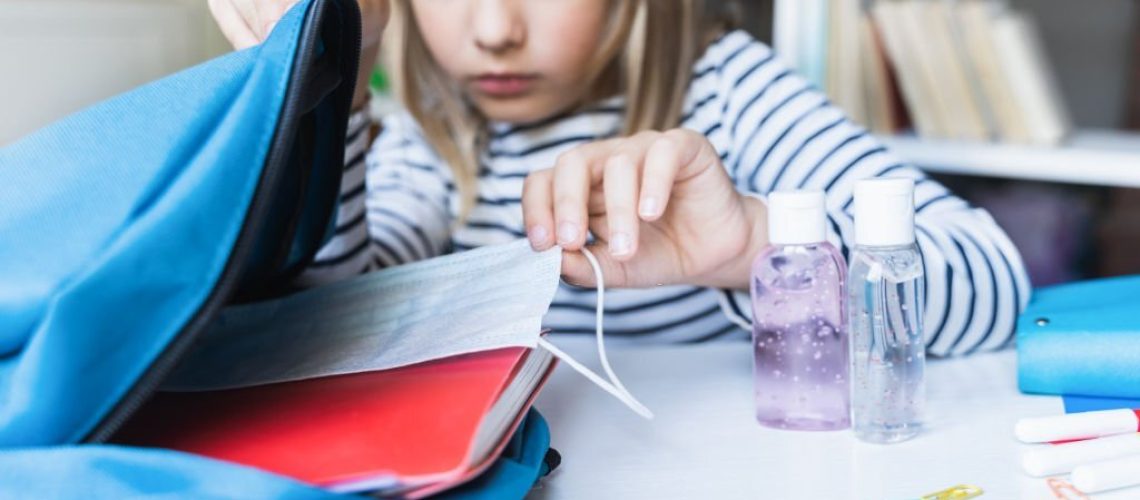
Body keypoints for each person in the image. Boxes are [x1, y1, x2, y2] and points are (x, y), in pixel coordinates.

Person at [208, 0, 1031, 356]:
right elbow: (327, 324)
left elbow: (997, 285)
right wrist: (334, 92)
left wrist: (753, 244)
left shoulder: (731, 92)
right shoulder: (434, 136)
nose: (495, 30)